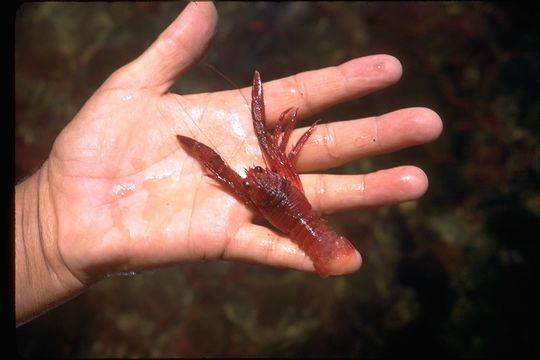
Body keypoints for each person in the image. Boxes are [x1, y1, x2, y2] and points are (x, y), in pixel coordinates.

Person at [15, 2, 442, 326]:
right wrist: (43, 237)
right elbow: (275, 152)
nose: (261, 171)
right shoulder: (282, 175)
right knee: (270, 142)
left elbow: (251, 164)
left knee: (256, 150)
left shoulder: (256, 189)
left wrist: (44, 239)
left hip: (305, 226)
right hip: (300, 216)